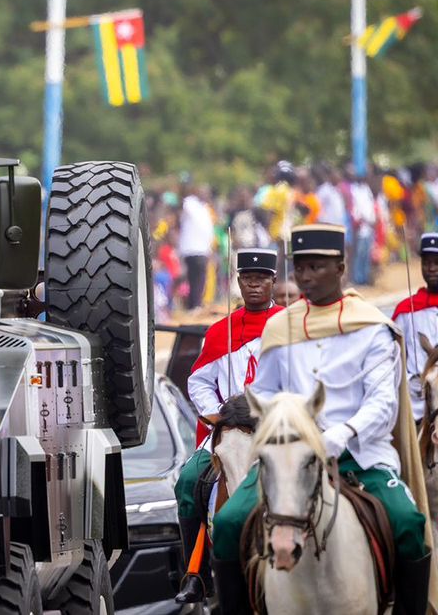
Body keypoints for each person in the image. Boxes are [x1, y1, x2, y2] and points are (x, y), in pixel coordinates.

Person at [211, 225, 431, 615]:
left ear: (341, 268)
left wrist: (339, 435)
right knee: (228, 522)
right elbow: (263, 393)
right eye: (300, 267)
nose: (306, 276)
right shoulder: (280, 328)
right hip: (289, 457)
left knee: (409, 524)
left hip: (360, 456)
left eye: (316, 267)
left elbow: (382, 404)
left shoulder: (372, 328)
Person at [172, 248, 281, 604]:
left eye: (261, 279)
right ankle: (197, 574)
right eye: (247, 279)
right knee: (188, 481)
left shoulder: (289, 325)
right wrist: (218, 413)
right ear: (238, 282)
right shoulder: (221, 332)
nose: (254, 285)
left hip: (275, 428)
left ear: (273, 281)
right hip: (230, 429)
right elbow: (198, 382)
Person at [395, 232, 438, 416]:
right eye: (426, 263)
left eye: (436, 263)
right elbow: (395, 357)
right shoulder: (406, 310)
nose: (431, 268)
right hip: (417, 404)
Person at [178, 183, 215, 310]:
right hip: (191, 248)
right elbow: (183, 201)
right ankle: (194, 305)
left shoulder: (204, 208)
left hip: (203, 249)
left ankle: (196, 304)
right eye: (203, 192)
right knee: (194, 277)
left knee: (200, 277)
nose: (206, 195)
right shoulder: (190, 203)